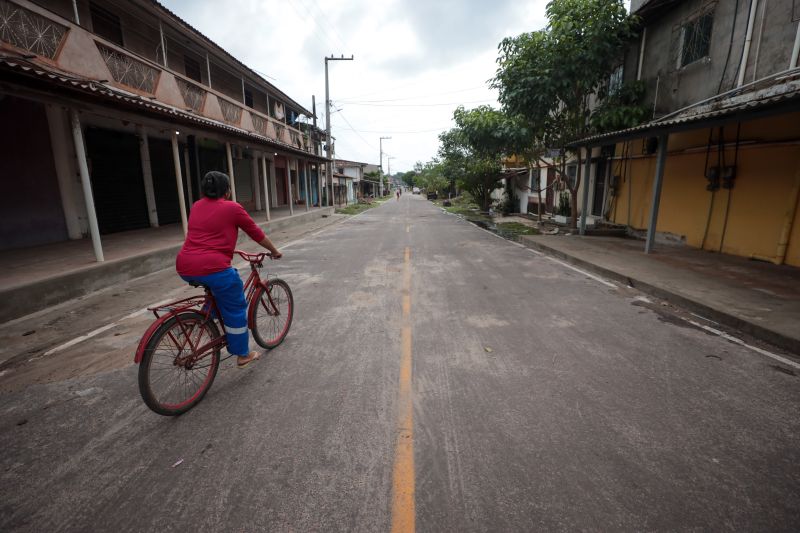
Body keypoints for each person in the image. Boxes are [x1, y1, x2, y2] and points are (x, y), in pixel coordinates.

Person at [176, 171, 282, 368]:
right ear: (226, 191)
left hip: (184, 265)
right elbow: (256, 233)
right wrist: (274, 250)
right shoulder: (233, 208)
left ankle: (203, 319)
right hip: (212, 267)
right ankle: (242, 354)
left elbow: (207, 235)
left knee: (217, 290)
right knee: (235, 306)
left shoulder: (197, 206)